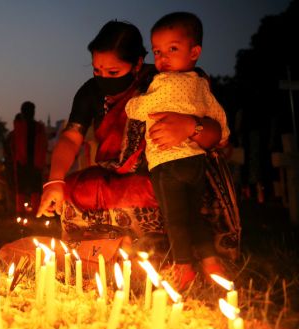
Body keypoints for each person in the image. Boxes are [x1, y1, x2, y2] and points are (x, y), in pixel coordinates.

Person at [29, 21, 228, 270]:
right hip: (114, 174)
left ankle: (172, 257)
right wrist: (55, 181)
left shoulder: (170, 80)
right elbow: (71, 137)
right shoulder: (90, 92)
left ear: (137, 64)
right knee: (71, 190)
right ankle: (96, 255)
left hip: (161, 170)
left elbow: (216, 134)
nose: (104, 79)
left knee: (164, 189)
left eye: (113, 73)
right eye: (97, 71)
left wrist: (191, 126)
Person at [125, 12, 230, 288]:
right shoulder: (200, 85)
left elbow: (140, 109)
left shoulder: (163, 82)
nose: (163, 58)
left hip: (166, 163)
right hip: (195, 162)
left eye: (173, 49)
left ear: (194, 52)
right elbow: (218, 117)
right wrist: (223, 137)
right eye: (158, 51)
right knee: (193, 215)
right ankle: (210, 261)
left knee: (175, 220)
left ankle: (184, 268)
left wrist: (132, 105)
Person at [8, 101, 48, 215]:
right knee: (29, 188)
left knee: (27, 187)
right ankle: (32, 211)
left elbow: (13, 144)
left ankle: (25, 211)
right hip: (28, 161)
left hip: (28, 162)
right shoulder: (34, 127)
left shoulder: (22, 126)